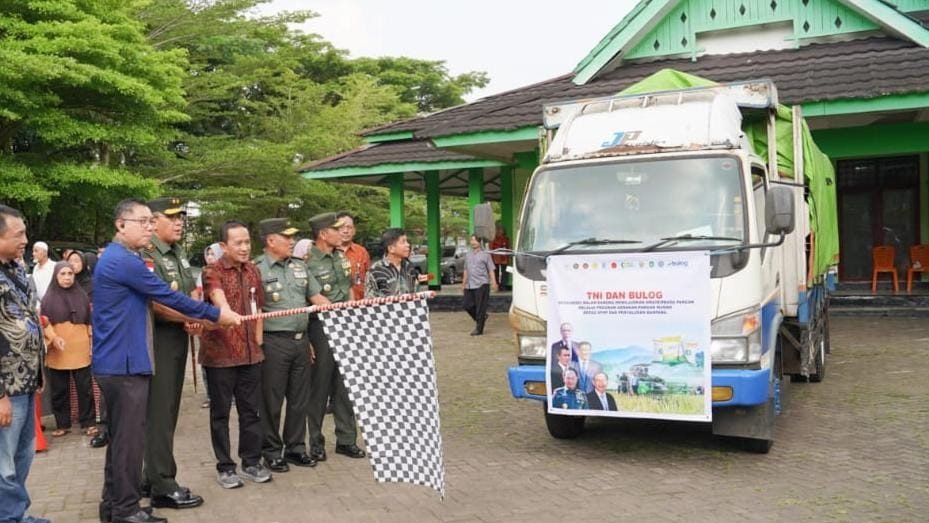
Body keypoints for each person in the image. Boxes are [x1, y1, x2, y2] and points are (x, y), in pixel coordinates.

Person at [92, 199, 239, 523]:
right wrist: (217, 315)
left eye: (149, 221)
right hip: (125, 363)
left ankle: (113, 507)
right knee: (129, 443)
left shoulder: (121, 257)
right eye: (142, 221)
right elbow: (167, 296)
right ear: (121, 225)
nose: (148, 227)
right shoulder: (124, 261)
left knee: (121, 442)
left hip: (120, 362)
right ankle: (127, 510)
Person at [139, 197, 204, 510]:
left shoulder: (178, 252)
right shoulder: (147, 253)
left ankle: (147, 475)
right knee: (160, 415)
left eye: (182, 217)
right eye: (172, 217)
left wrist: (193, 312)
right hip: (157, 339)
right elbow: (155, 303)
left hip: (177, 337)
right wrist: (192, 316)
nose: (179, 222)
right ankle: (162, 483)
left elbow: (190, 290)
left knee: (165, 413)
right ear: (152, 220)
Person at [200, 220, 271, 490]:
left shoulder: (253, 271)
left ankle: (251, 462)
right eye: (238, 243)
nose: (244, 247)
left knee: (251, 412)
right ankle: (225, 467)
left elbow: (259, 310)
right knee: (220, 414)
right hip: (220, 356)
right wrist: (226, 311)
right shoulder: (212, 271)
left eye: (247, 242)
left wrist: (259, 345)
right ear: (223, 246)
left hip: (251, 355)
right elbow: (218, 298)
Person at [255, 218, 327, 473]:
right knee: (271, 401)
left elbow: (317, 298)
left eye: (293, 236)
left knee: (299, 400)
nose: (292, 241)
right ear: (270, 240)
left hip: (301, 341)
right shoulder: (257, 269)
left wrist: (346, 312)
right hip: (274, 343)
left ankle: (296, 448)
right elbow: (255, 310)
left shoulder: (300, 266)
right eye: (287, 237)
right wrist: (258, 347)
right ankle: (271, 452)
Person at [0, 205, 51, 523]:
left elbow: (30, 317)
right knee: (2, 463)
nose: (25, 240)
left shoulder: (16, 269)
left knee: (22, 456)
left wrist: (39, 370)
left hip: (26, 381)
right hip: (6, 388)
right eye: (18, 234)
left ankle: (16, 515)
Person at [305, 212, 366, 462]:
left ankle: (346, 439)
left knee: (345, 386)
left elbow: (349, 286)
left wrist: (351, 315)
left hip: (345, 324)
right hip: (321, 327)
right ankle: (316, 441)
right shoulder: (307, 263)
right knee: (319, 386)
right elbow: (313, 296)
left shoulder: (341, 257)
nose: (342, 232)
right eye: (336, 229)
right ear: (322, 234)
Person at [41, 262, 96, 438]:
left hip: (80, 348)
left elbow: (89, 323)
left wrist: (92, 343)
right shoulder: (48, 298)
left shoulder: (82, 296)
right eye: (63, 274)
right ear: (56, 276)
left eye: (70, 273)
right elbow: (44, 323)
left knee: (85, 389)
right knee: (59, 390)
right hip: (58, 350)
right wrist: (54, 338)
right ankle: (62, 424)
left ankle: (88, 423)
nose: (67, 277)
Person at [364, 228, 429, 298]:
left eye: (407, 241)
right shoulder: (375, 271)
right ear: (391, 248)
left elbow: (416, 294)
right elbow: (369, 301)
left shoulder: (410, 268)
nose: (408, 245)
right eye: (403, 242)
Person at [462, 234, 497, 336]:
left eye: (475, 240)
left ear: (480, 242)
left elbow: (491, 269)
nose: (473, 242)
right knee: (467, 305)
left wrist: (494, 282)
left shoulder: (485, 254)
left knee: (480, 308)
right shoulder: (468, 255)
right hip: (469, 284)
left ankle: (479, 328)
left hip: (482, 284)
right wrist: (463, 283)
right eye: (471, 240)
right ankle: (482, 318)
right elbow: (465, 269)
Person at [336, 211, 370, 301]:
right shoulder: (329, 251)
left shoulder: (362, 252)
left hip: (360, 304)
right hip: (336, 306)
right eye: (341, 227)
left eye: (349, 227)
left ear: (354, 230)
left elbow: (369, 279)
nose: (345, 231)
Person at [489, 222, 510, 291]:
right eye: (498, 229)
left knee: (505, 272)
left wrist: (508, 256)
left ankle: (503, 286)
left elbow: (508, 248)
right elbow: (491, 248)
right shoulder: (493, 238)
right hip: (495, 257)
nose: (500, 231)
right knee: (496, 272)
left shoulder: (506, 238)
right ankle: (497, 285)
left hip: (504, 258)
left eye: (501, 229)